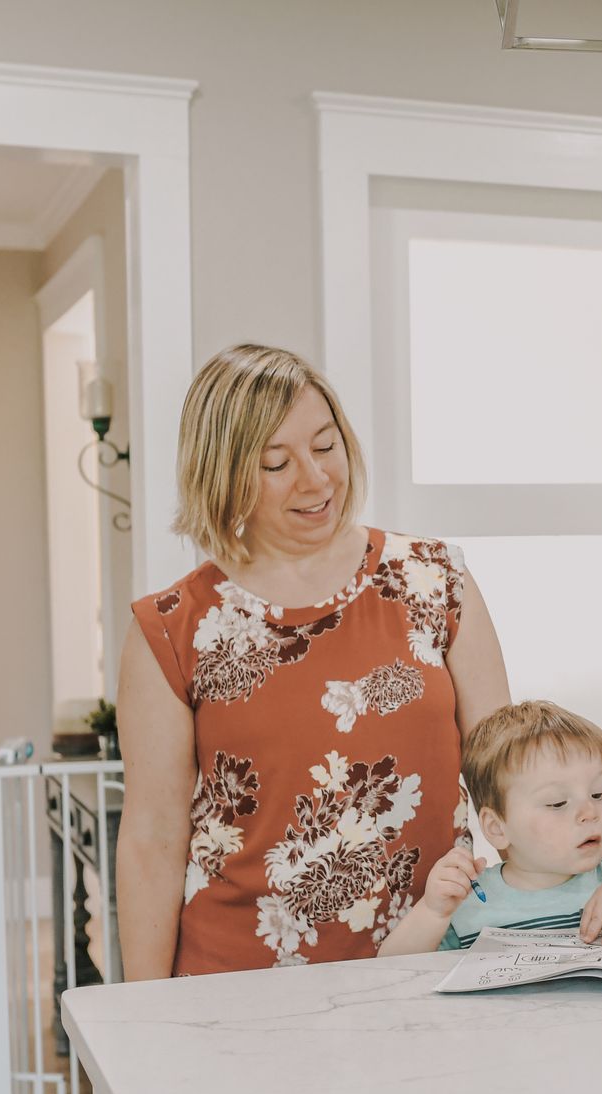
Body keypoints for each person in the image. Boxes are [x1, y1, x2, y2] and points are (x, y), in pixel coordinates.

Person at [116, 344, 510, 976]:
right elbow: (153, 840)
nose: (316, 479)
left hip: (437, 963)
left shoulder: (436, 580)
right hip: (241, 984)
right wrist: (138, 1014)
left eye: (325, 447)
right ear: (224, 474)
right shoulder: (172, 629)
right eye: (277, 462)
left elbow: (509, 776)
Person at [380, 700, 602, 953]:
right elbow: (392, 970)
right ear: (498, 828)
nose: (588, 812)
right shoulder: (472, 899)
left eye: (599, 792)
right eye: (558, 803)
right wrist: (433, 911)